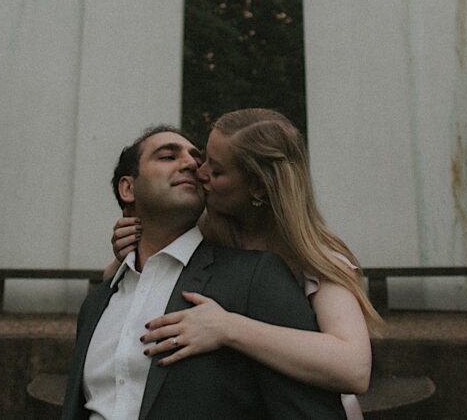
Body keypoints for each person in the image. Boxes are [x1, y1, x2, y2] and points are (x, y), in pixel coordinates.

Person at [60, 125, 346, 420]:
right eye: (168, 156)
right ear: (128, 188)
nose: (191, 164)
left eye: (196, 159)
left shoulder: (255, 276)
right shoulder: (97, 304)